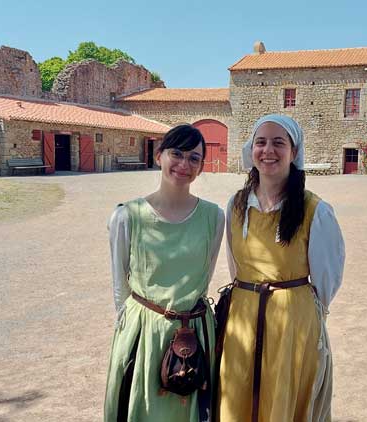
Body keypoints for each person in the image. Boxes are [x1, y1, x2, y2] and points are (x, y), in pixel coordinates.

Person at [216, 114, 345, 422]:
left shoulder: (315, 210)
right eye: (260, 142)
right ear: (251, 150)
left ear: (293, 151)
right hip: (242, 318)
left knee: (283, 398)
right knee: (237, 393)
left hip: (292, 324)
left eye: (278, 143)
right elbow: (236, 267)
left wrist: (300, 313)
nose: (268, 150)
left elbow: (327, 279)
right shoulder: (236, 205)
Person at [104, 124, 225, 422]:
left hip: (195, 331)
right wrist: (138, 329)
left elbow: (204, 274)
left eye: (194, 158)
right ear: (159, 156)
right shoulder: (127, 216)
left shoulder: (214, 216)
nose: (184, 164)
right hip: (144, 331)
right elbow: (120, 286)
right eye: (177, 154)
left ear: (201, 166)